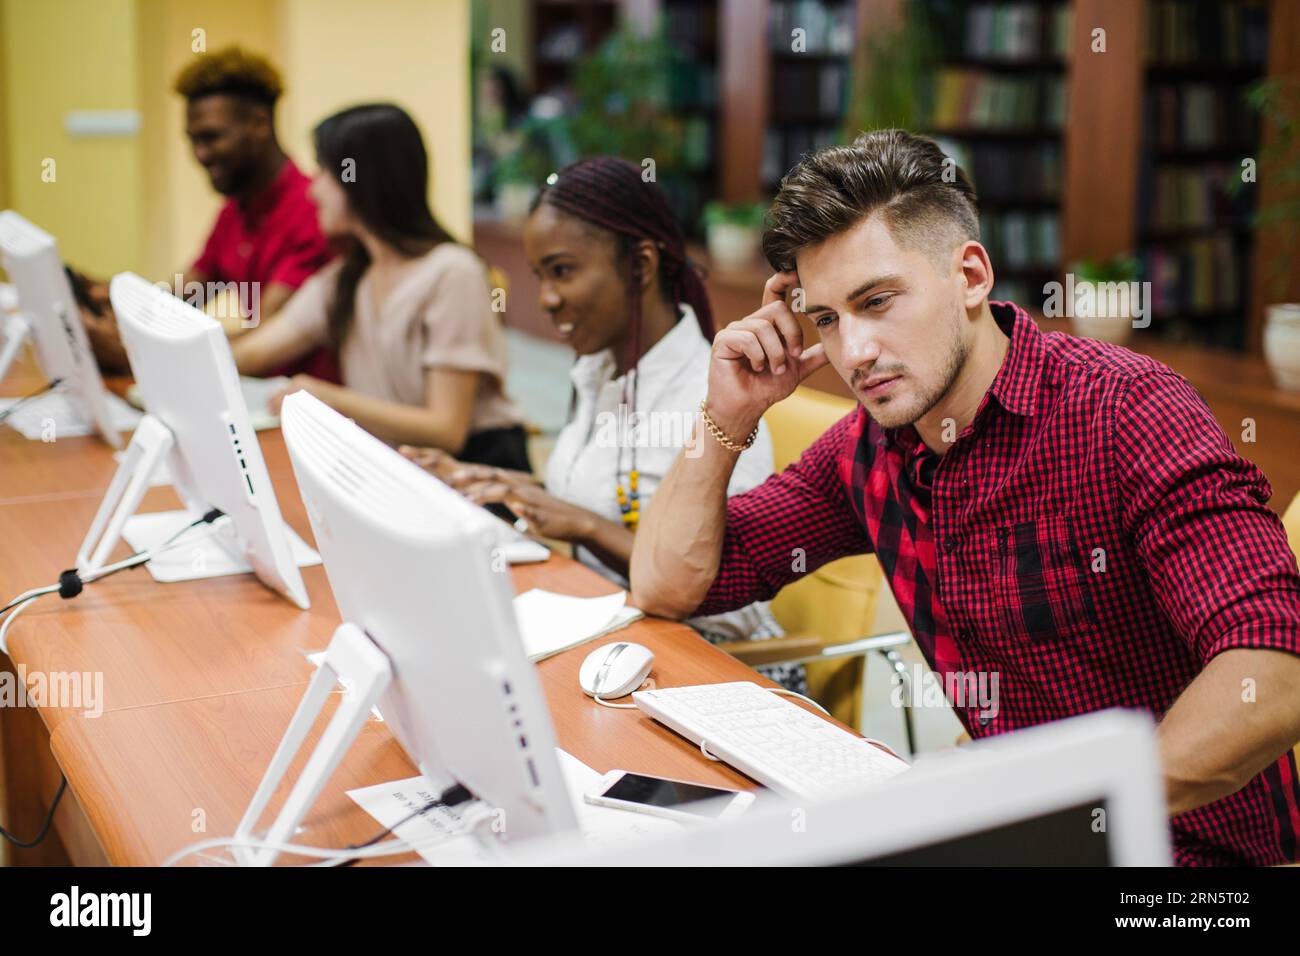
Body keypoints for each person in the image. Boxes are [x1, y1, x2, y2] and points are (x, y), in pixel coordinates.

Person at [629, 129, 1300, 866]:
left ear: (971, 275)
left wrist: (1040, 804)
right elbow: (668, 582)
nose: (853, 352)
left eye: (877, 300)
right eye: (826, 319)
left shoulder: (1126, 410)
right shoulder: (869, 448)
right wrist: (727, 415)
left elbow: (1274, 669)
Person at [405, 157, 796, 685]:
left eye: (562, 271)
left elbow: (730, 596)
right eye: (540, 275)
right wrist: (494, 483)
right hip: (622, 641)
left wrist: (584, 525)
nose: (545, 298)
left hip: (713, 669)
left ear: (640, 265)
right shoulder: (602, 371)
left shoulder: (713, 398)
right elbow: (611, 497)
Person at [233, 104, 527, 468]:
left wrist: (327, 398)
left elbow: (446, 428)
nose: (313, 191)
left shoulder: (453, 273)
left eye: (324, 171)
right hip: (402, 472)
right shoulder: (346, 278)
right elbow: (251, 354)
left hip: (477, 474)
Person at [81, 46, 334, 375]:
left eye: (211, 137)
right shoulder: (236, 210)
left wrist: (140, 351)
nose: (200, 154)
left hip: (299, 407)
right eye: (192, 140)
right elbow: (186, 293)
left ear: (259, 123)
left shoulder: (311, 213)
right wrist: (112, 298)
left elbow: (263, 337)